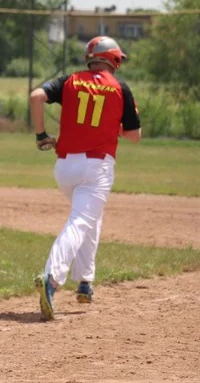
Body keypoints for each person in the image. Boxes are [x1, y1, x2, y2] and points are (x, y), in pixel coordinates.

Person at [28, 36, 141, 321]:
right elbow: (134, 136)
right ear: (114, 60)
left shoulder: (69, 81)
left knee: (90, 216)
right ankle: (51, 278)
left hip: (65, 168)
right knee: (80, 222)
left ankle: (85, 282)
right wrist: (110, 127)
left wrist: (41, 134)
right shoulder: (120, 88)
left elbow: (36, 96)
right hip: (96, 169)